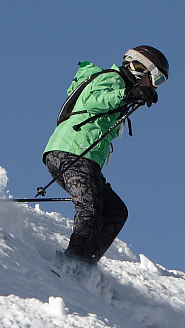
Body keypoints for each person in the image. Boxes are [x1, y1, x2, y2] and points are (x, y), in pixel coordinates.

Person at [42, 46, 169, 265]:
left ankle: (85, 264)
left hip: (83, 157)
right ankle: (72, 264)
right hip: (72, 152)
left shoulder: (121, 90)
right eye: (156, 78)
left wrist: (130, 96)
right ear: (141, 68)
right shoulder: (113, 79)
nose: (155, 85)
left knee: (115, 211)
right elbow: (92, 100)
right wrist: (127, 93)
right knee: (90, 209)